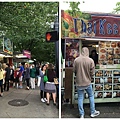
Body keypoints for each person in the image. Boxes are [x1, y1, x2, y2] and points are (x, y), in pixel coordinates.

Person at [73, 47, 100, 118]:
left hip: (79, 82)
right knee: (91, 96)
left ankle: (81, 114)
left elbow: (74, 70)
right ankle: (92, 112)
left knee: (80, 98)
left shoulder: (76, 60)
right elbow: (92, 72)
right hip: (87, 82)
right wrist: (91, 78)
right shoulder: (90, 60)